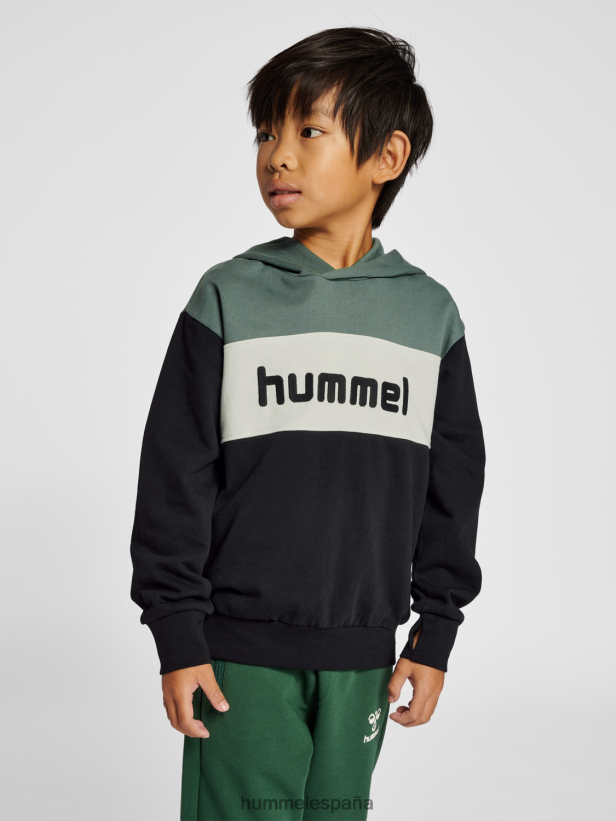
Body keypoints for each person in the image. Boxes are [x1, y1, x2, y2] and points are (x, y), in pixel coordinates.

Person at [129, 26, 486, 821]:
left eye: (308, 131)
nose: (277, 156)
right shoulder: (228, 296)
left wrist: (435, 630)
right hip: (239, 656)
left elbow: (453, 487)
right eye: (266, 134)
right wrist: (178, 633)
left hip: (364, 657)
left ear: (386, 156)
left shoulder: (429, 316)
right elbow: (174, 475)